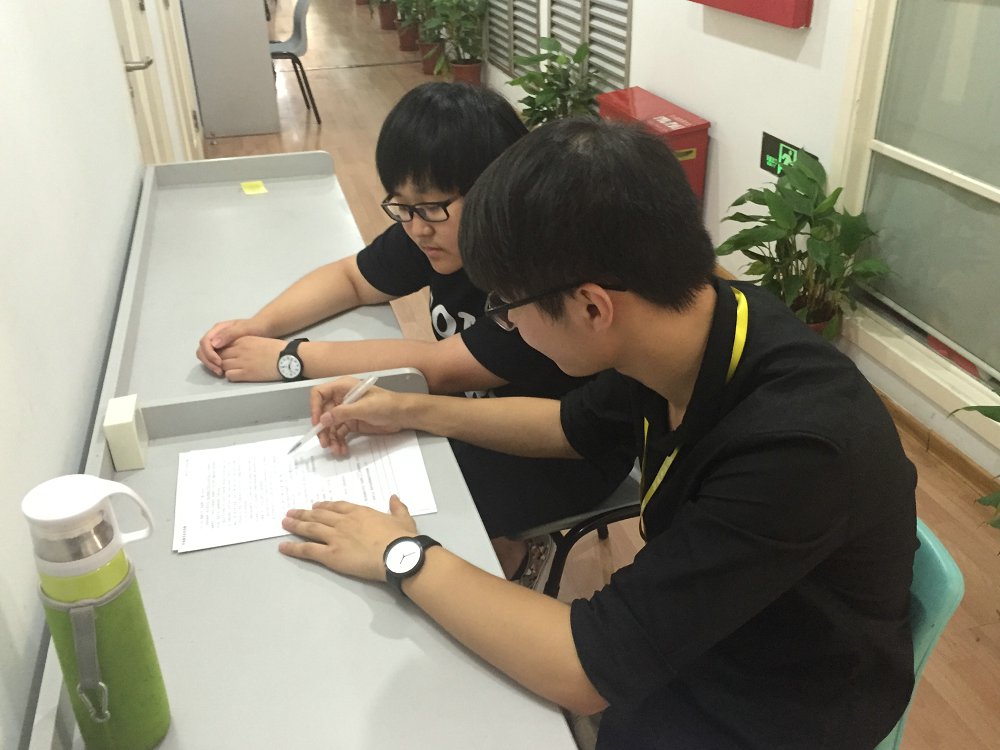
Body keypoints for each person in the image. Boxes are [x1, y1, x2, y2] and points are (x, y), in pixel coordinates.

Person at [279, 117, 918, 749]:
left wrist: (403, 555)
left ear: (591, 306)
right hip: (711, 632)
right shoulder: (693, 326)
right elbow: (568, 424)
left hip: (776, 701)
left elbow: (586, 669)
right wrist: (407, 409)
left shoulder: (796, 449)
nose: (507, 325)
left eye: (506, 308)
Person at [196, 82, 633, 579]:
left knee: (394, 515)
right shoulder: (433, 229)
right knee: (365, 472)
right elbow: (352, 278)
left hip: (561, 451)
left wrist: (290, 357)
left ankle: (517, 553)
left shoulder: (532, 277)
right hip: (476, 416)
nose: (416, 227)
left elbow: (440, 369)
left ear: (495, 191)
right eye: (401, 206)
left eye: (429, 207)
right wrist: (259, 325)